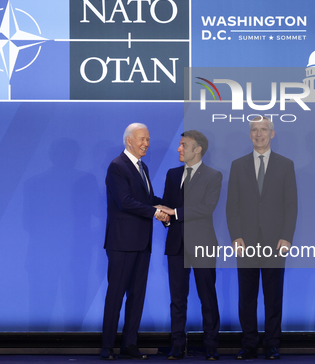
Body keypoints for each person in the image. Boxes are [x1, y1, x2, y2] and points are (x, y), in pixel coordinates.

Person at [226, 117, 298, 360]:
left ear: (272, 134)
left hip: (275, 243)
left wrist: (287, 238)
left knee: (273, 296)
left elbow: (291, 205)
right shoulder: (237, 165)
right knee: (247, 297)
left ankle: (272, 343)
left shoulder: (286, 165)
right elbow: (231, 206)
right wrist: (235, 236)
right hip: (245, 243)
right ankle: (249, 344)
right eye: (255, 130)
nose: (259, 134)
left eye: (263, 130)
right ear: (250, 135)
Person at [101, 123, 170, 360]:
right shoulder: (117, 166)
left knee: (137, 295)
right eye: (142, 139)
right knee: (116, 295)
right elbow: (125, 201)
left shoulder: (143, 167)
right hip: (121, 243)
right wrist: (155, 212)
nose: (146, 144)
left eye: (148, 140)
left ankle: (129, 344)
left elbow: (148, 199)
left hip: (142, 242)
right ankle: (107, 346)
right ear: (129, 140)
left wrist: (168, 209)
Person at [159, 131, 222, 361]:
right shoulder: (172, 174)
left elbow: (206, 208)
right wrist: (163, 215)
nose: (179, 149)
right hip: (176, 244)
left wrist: (174, 213)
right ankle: (177, 344)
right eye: (179, 144)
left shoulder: (214, 175)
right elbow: (167, 205)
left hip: (203, 243)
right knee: (177, 297)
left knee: (208, 296)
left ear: (198, 150)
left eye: (184, 145)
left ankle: (211, 345)